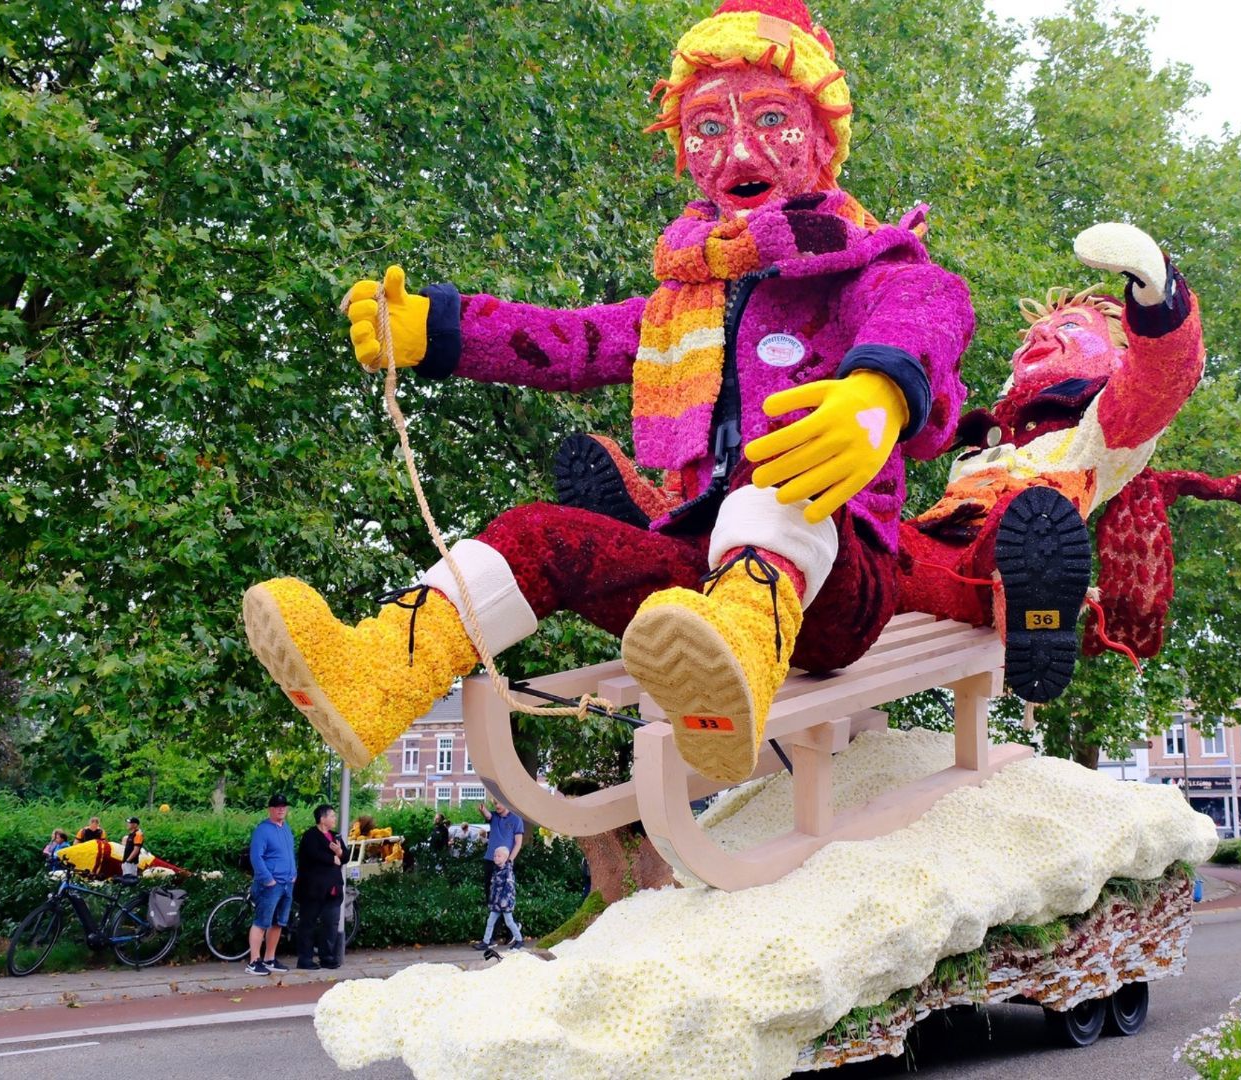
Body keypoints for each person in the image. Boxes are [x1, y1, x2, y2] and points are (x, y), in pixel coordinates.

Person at [247, 0, 979, 792]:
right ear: (682, 152)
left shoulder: (863, 267)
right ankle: (376, 674)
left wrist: (879, 392)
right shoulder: (681, 300)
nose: (737, 149)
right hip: (698, 572)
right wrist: (439, 331)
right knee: (537, 534)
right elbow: (573, 340)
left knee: (776, 481)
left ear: (825, 139)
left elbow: (928, 302)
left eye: (772, 117)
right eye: (705, 127)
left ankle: (736, 661)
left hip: (838, 587)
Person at [245, 794, 296, 976]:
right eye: (277, 806)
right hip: (270, 884)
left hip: (286, 882)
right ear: (270, 809)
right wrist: (268, 879)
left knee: (278, 922)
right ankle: (253, 961)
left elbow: (290, 852)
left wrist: (294, 874)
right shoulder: (262, 830)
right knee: (261, 922)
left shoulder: (286, 828)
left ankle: (269, 958)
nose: (281, 809)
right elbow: (256, 856)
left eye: (283, 806)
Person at [294, 805, 346, 970]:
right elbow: (311, 854)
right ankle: (305, 958)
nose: (334, 819)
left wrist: (339, 853)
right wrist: (332, 859)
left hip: (333, 889)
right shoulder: (310, 836)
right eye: (332, 816)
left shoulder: (335, 835)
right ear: (322, 818)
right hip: (313, 889)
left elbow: (345, 856)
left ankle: (327, 956)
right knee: (308, 923)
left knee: (330, 923)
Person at [474, 845, 523, 951]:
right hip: (496, 903)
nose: (496, 858)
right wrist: (492, 900)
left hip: (505, 903)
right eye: (495, 856)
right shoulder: (496, 870)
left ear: (505, 858)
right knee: (490, 921)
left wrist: (504, 901)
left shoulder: (508, 871)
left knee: (509, 922)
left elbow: (509, 887)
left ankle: (519, 940)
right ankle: (486, 941)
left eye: (499, 856)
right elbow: (493, 887)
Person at [482, 798, 524, 890]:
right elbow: (488, 815)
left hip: (505, 861)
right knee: (489, 890)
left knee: (504, 892)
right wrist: (483, 809)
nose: (497, 806)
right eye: (495, 803)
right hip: (490, 859)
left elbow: (518, 843)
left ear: (507, 803)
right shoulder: (494, 816)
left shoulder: (516, 819)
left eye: (500, 803)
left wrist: (509, 861)